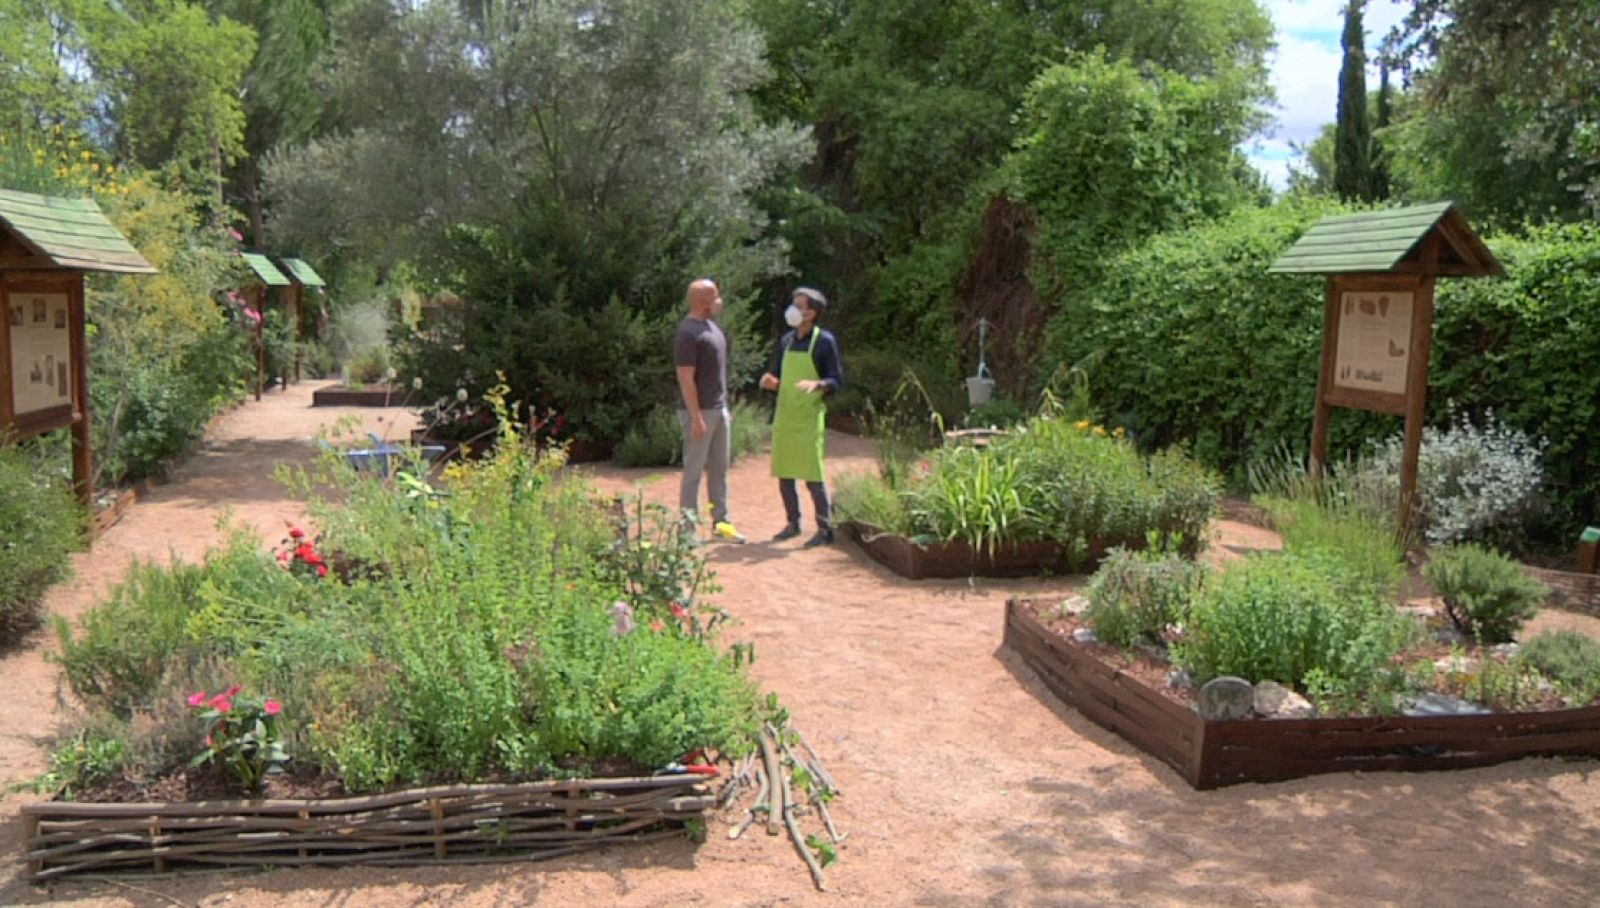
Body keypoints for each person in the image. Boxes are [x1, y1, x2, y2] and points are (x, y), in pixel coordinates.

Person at [760, 286, 843, 547]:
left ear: (812, 313)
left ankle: (824, 528)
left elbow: (836, 379)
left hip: (808, 417)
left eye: (800, 306)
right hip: (785, 416)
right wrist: (770, 382)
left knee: (812, 475)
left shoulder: (824, 341)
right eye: (793, 304)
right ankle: (793, 523)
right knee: (785, 473)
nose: (793, 310)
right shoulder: (786, 341)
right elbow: (778, 376)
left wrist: (817, 385)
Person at [674, 278, 746, 543]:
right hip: (700, 412)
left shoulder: (712, 328)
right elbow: (685, 377)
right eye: (715, 296)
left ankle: (721, 525)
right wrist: (696, 417)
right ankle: (686, 532)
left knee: (719, 470)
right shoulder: (688, 333)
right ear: (703, 301)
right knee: (693, 472)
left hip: (719, 409)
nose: (719, 300)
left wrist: (724, 407)